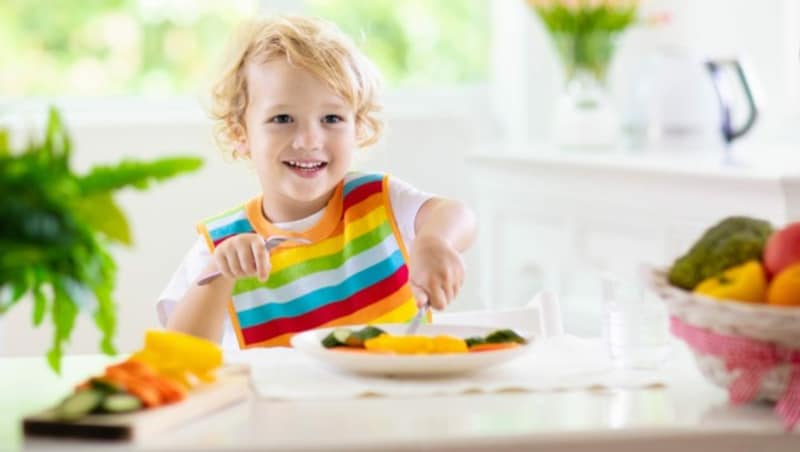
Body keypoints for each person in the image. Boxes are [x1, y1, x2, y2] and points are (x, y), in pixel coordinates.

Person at [157, 16, 476, 349]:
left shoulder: (381, 201)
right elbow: (182, 352)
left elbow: (457, 214)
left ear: (358, 127)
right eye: (282, 119)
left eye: (331, 118)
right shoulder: (220, 246)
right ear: (241, 134)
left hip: (397, 395)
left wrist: (435, 242)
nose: (309, 139)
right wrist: (221, 272)